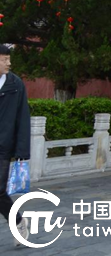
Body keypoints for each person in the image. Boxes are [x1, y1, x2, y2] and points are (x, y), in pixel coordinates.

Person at [0, 44, 30, 247]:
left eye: (9, 59)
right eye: (4, 59)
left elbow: (22, 118)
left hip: (3, 146)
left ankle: (18, 221)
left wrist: (21, 151)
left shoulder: (16, 85)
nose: (9, 63)